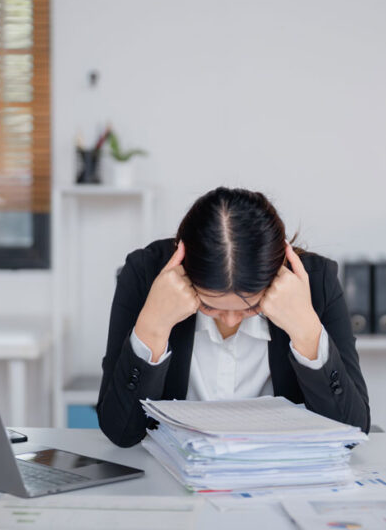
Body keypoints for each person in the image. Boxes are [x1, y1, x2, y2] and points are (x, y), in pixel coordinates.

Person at [97, 187, 370, 447]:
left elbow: (350, 432)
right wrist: (154, 325)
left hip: (283, 479)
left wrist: (307, 331)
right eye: (209, 305)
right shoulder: (146, 276)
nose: (230, 321)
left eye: (250, 308)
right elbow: (122, 432)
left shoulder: (316, 282)